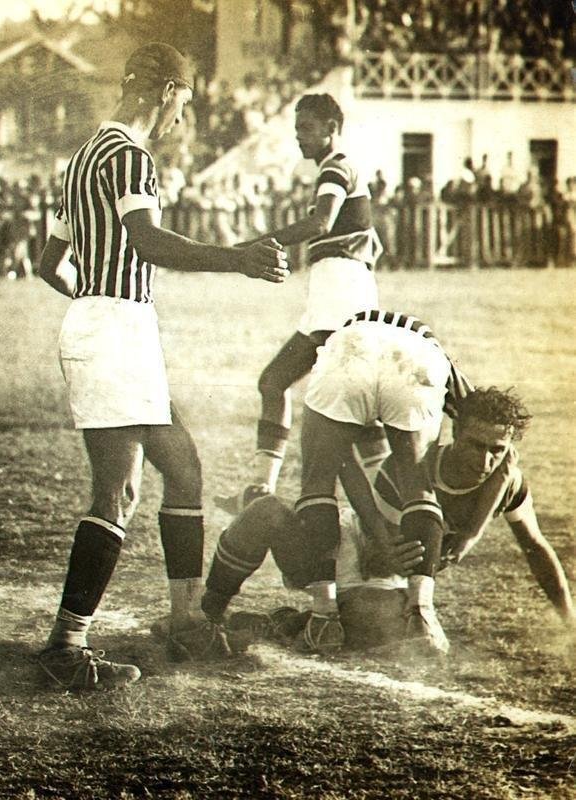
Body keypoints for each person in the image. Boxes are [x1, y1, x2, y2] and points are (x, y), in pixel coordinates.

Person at [33, 42, 289, 690]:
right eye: (185, 100)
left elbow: (47, 262)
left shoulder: (84, 157)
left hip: (110, 323)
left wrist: (91, 300)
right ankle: (66, 647)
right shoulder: (129, 156)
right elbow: (145, 240)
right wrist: (237, 257)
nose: (183, 115)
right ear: (167, 92)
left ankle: (183, 620)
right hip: (116, 327)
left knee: (182, 466)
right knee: (118, 490)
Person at [199, 387, 575, 655]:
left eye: (498, 451)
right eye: (476, 445)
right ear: (455, 431)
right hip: (344, 552)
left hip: (393, 578)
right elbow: (385, 556)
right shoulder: (414, 469)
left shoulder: (507, 484)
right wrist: (465, 537)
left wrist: (568, 622)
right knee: (265, 512)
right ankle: (205, 616)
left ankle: (284, 622)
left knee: (383, 631)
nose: (485, 461)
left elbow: (536, 547)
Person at [288, 309, 473, 655]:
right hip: (417, 360)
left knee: (318, 479)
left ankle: (324, 617)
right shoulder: (433, 352)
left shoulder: (348, 329)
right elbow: (476, 412)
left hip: (350, 351)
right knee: (418, 482)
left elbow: (341, 459)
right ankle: (420, 612)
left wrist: (376, 529)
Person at [230, 93, 382, 511]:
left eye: (307, 129)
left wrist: (256, 245)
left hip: (340, 292)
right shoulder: (338, 167)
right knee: (277, 383)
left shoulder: (336, 166)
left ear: (332, 129)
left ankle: (383, 509)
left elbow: (321, 223)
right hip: (333, 291)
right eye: (297, 129)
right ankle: (260, 489)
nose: (300, 138)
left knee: (340, 408)